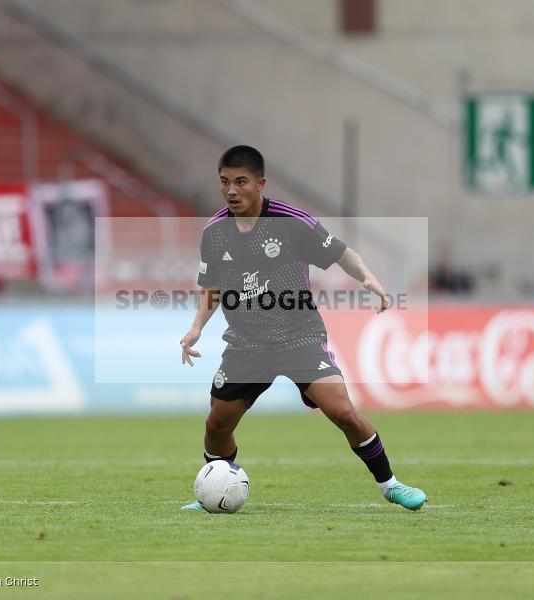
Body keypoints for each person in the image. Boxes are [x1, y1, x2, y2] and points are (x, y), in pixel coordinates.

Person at [178, 145, 427, 512]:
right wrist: (197, 326)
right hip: (246, 345)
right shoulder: (214, 232)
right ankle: (216, 487)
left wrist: (368, 277)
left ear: (260, 183)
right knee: (217, 425)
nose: (232, 190)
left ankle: (390, 485)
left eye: (241, 182)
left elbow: (340, 252)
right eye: (225, 182)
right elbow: (211, 287)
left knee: (342, 412)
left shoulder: (291, 221)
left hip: (300, 338)